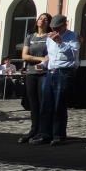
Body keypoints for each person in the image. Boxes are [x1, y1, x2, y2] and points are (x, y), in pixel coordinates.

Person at [31, 14, 79, 145]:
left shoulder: (72, 36)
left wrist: (60, 42)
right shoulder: (49, 37)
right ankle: (44, 133)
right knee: (46, 104)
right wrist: (43, 64)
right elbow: (50, 56)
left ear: (65, 24)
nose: (55, 31)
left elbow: (73, 55)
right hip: (50, 72)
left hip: (64, 72)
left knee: (59, 104)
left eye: (57, 28)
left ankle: (58, 134)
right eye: (53, 28)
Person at [19, 13, 51, 143]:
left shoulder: (50, 37)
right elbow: (24, 56)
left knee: (43, 103)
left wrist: (43, 60)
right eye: (40, 18)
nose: (42, 20)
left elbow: (51, 55)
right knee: (33, 104)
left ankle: (43, 131)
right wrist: (41, 58)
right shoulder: (30, 37)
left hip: (44, 74)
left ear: (49, 23)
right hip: (31, 74)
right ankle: (34, 129)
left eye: (45, 19)